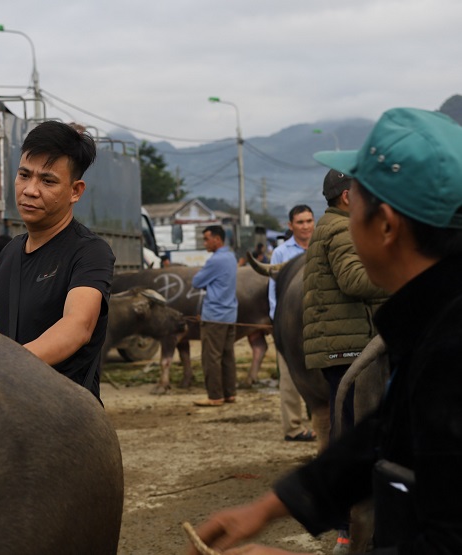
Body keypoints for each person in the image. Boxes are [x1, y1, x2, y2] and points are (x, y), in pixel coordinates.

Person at [186, 107, 462, 554]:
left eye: (356, 207)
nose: (338, 223)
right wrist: (273, 505)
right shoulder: (432, 324)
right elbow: (382, 435)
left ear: (386, 225)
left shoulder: (450, 354)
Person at [0, 121, 115, 402]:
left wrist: (3, 366)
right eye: (24, 175)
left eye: (47, 181)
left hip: (67, 417)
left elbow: (78, 326)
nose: (30, 190)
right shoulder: (9, 254)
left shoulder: (90, 252)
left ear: (75, 191)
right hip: (11, 410)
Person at [303, 169, 390, 553]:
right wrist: (401, 279)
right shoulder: (341, 230)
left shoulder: (328, 227)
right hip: (351, 347)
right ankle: (347, 530)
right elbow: (355, 280)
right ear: (346, 198)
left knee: (349, 433)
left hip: (342, 344)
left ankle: (347, 527)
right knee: (355, 439)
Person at [269, 205, 316, 442]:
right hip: (289, 325)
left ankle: (319, 422)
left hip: (318, 324)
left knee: (319, 375)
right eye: (300, 222)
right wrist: (278, 324)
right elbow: (273, 294)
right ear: (290, 226)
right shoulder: (280, 253)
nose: (306, 226)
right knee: (289, 377)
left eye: (309, 221)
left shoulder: (322, 245)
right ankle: (293, 428)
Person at [192, 225, 238, 407]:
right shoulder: (231, 257)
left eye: (206, 239)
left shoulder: (215, 260)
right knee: (228, 356)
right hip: (230, 314)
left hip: (214, 316)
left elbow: (196, 282)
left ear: (217, 239)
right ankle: (230, 393)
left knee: (211, 357)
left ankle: (215, 396)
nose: (205, 243)